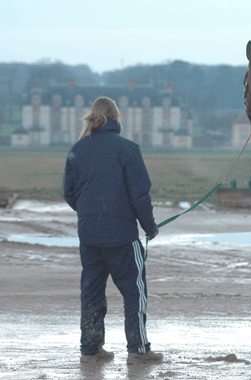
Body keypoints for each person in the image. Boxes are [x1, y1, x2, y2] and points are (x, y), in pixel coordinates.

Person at [62, 96, 163, 365]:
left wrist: (90, 214)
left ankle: (91, 350)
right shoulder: (128, 149)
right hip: (122, 238)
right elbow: (140, 196)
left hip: (90, 237)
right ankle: (138, 350)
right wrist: (150, 227)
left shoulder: (76, 150)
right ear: (116, 119)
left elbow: (68, 193)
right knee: (134, 292)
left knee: (91, 293)